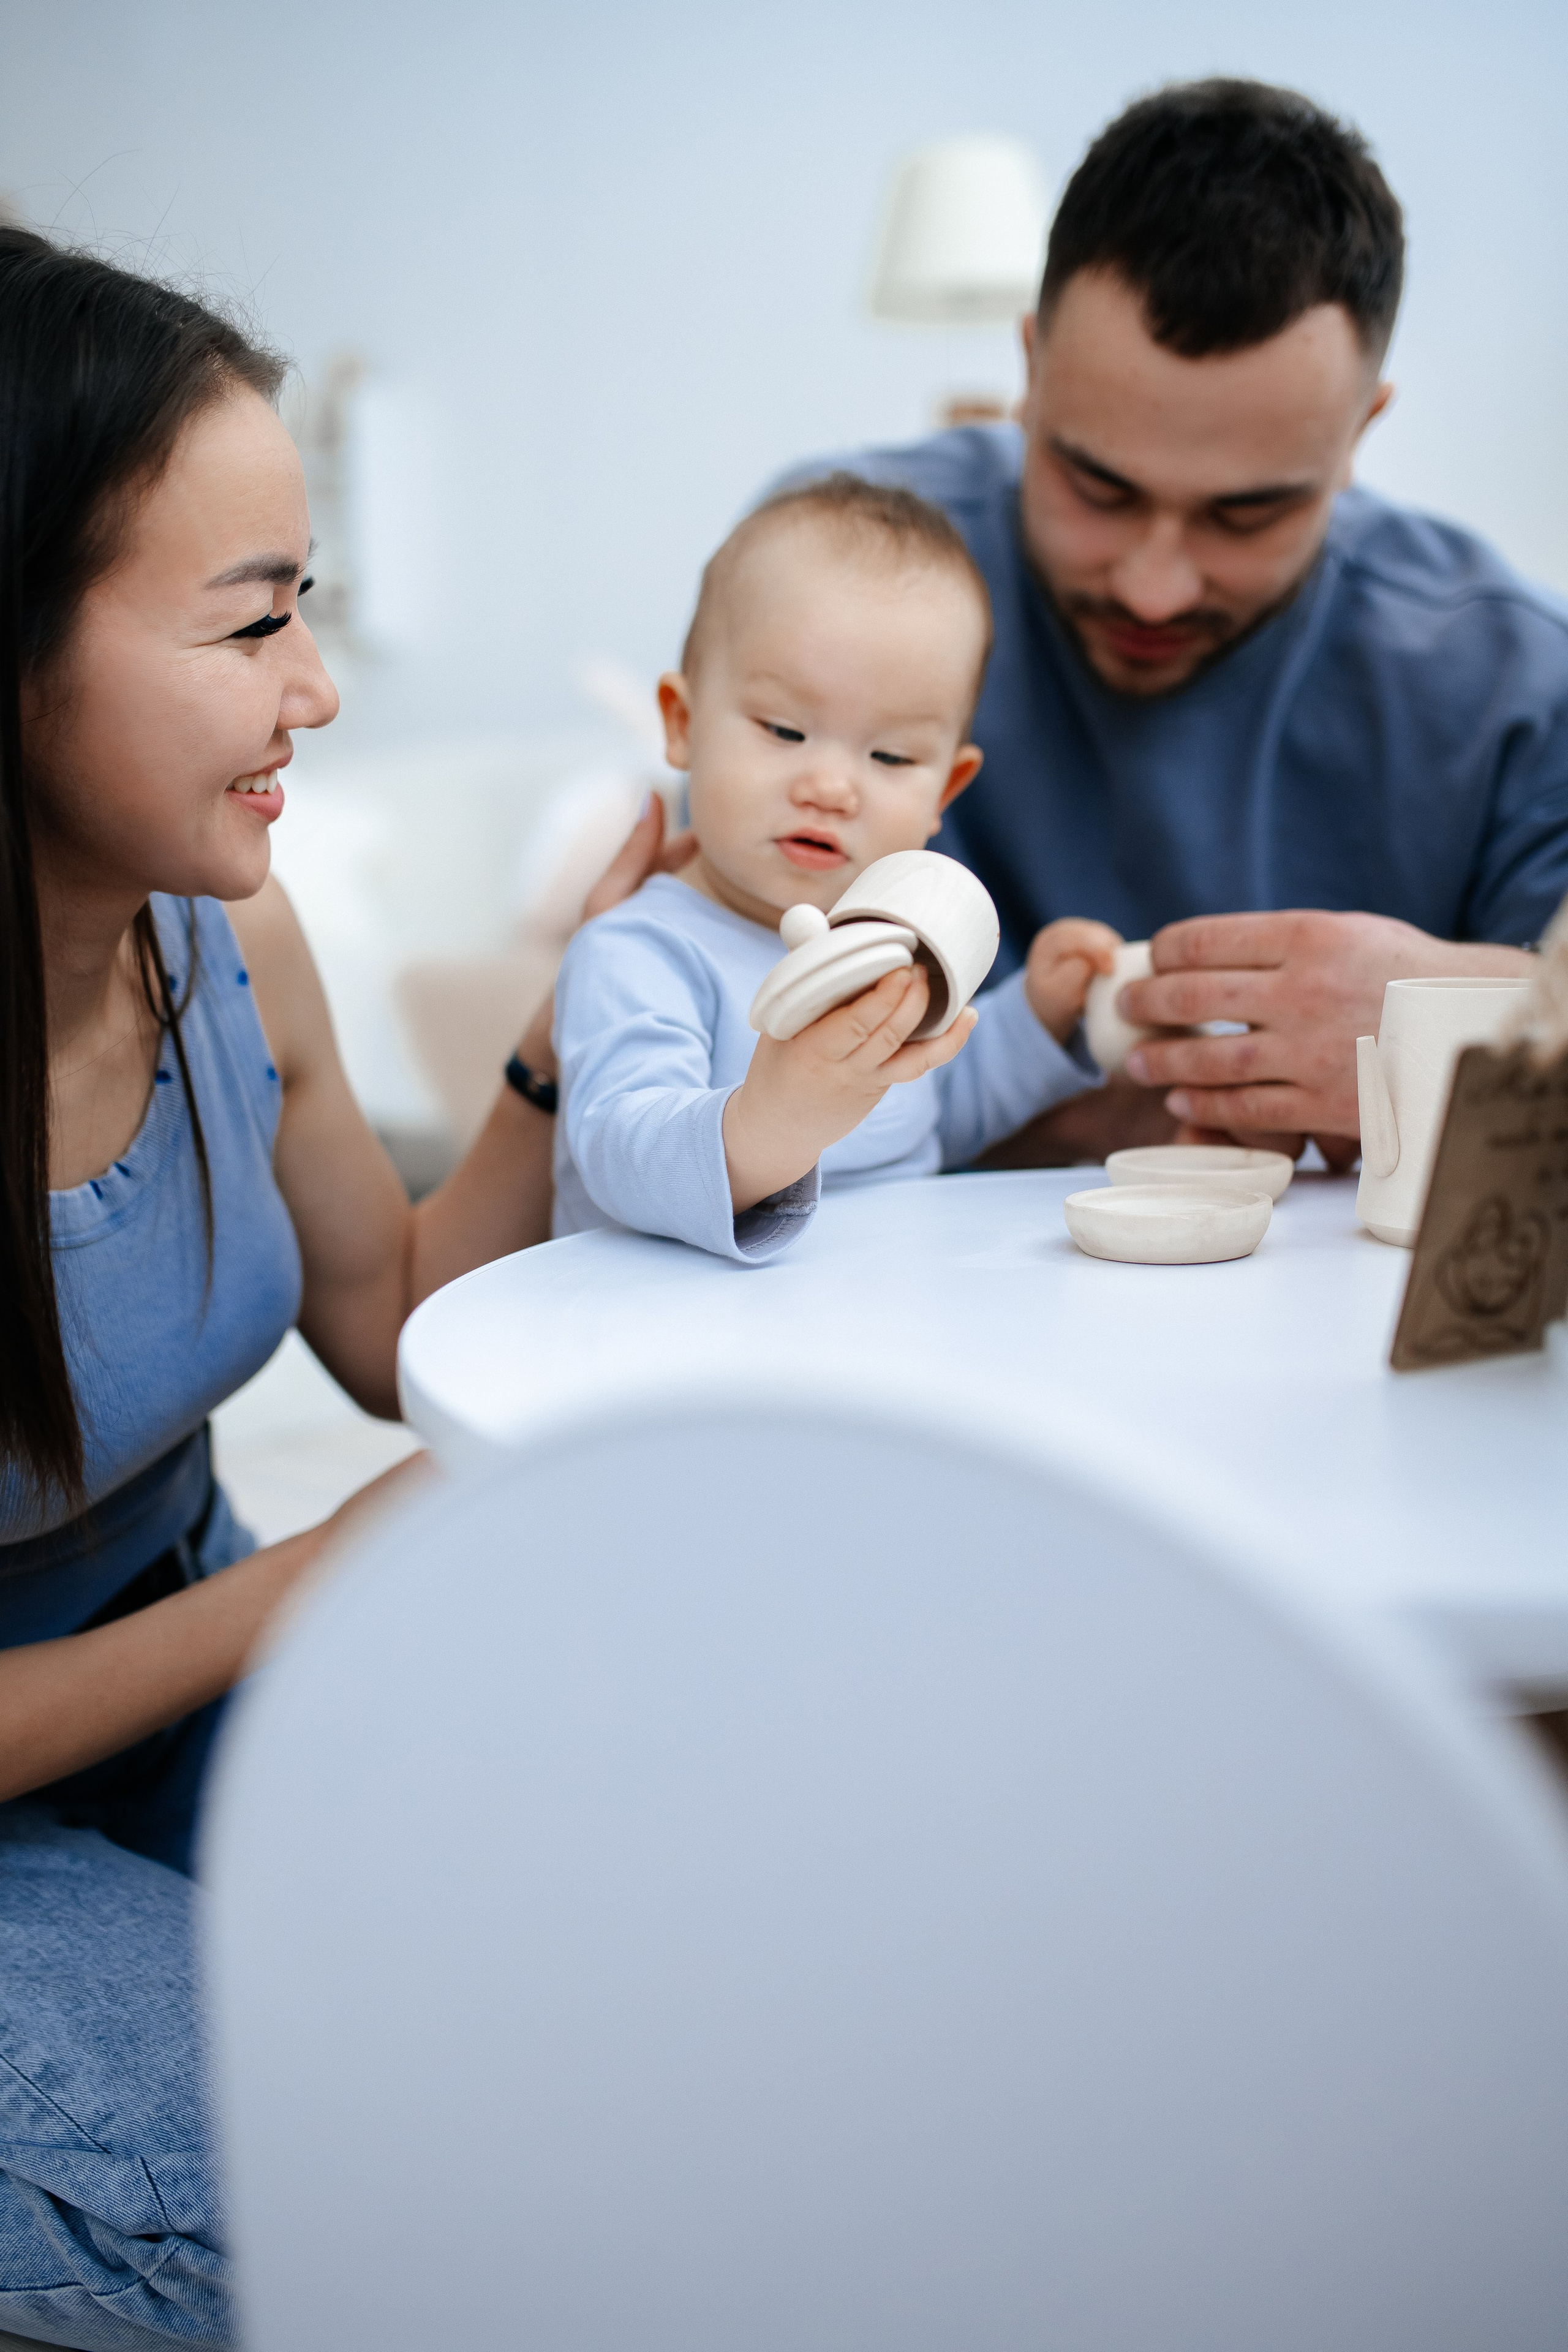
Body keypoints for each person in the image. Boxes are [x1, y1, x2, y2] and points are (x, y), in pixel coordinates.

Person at [0, 229, 677, 2349]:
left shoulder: (228, 936)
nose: (316, 686)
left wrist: (564, 1035)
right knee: (327, 2215)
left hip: (182, 1669)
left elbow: (388, 1324)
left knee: (649, 1976)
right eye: (252, 621)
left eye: (312, 604)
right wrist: (307, 1585)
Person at [782, 79, 1568, 1165]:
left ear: (1360, 431)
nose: (1154, 589)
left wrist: (1464, 1017)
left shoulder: (1514, 683)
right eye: (1097, 487)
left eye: (1248, 514)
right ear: (1029, 369)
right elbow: (732, 1033)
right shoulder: (829, 579)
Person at [552, 476, 1113, 1257]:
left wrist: (1038, 1020)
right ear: (682, 723)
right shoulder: (640, 948)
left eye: (890, 757)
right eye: (785, 731)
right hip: (675, 1320)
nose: (831, 787)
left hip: (885, 1305)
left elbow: (932, 1114)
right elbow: (620, 1149)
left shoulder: (893, 950)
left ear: (944, 791)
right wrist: (775, 1118)